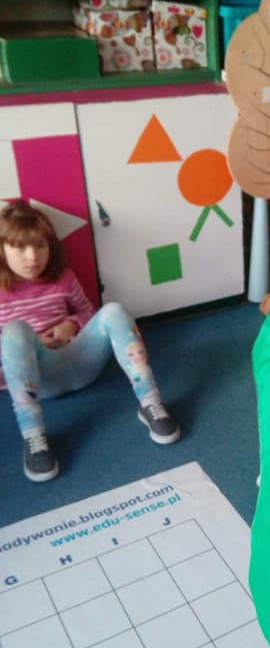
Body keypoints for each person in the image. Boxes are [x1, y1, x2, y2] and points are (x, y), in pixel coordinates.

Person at [0, 200, 180, 483]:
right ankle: (34, 437)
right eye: (20, 247)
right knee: (13, 332)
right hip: (38, 379)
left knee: (114, 310)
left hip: (80, 362)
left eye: (40, 245)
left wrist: (71, 324)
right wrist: (31, 345)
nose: (32, 256)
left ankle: (151, 402)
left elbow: (87, 312)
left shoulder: (63, 278)